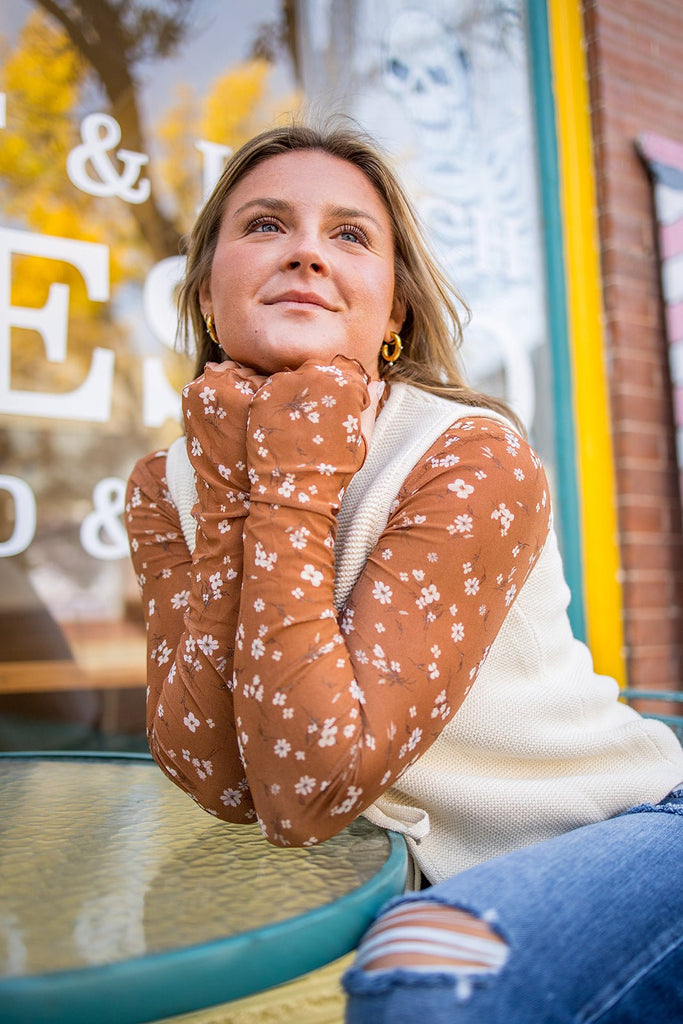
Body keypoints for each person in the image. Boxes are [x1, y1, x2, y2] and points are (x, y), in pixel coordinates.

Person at [125, 120, 683, 1023]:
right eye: (265, 225)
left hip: (620, 832)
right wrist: (234, 485)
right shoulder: (165, 484)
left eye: (349, 235)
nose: (307, 250)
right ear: (203, 292)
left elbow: (311, 789)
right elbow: (220, 778)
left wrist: (296, 475)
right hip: (404, 874)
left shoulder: (468, 453)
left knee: (426, 988)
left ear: (390, 313)